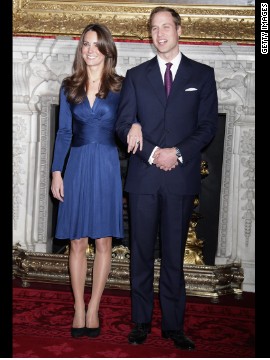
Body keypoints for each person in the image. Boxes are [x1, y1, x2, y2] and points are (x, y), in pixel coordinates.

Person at [116, 6, 218, 350]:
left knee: (174, 256)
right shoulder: (135, 75)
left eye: (165, 27)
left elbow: (207, 127)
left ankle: (174, 326)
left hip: (180, 177)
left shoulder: (202, 75)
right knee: (141, 253)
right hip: (144, 178)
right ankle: (141, 322)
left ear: (178, 30)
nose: (160, 34)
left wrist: (175, 153)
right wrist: (150, 150)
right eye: (154, 28)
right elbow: (122, 123)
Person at [50, 23, 139, 339]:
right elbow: (63, 132)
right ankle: (77, 306)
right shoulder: (69, 86)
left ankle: (94, 307)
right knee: (76, 240)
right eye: (85, 44)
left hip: (106, 165)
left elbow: (131, 119)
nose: (90, 50)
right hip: (76, 165)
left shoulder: (121, 87)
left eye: (96, 44)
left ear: (107, 50)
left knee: (102, 241)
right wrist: (56, 172)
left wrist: (137, 126)